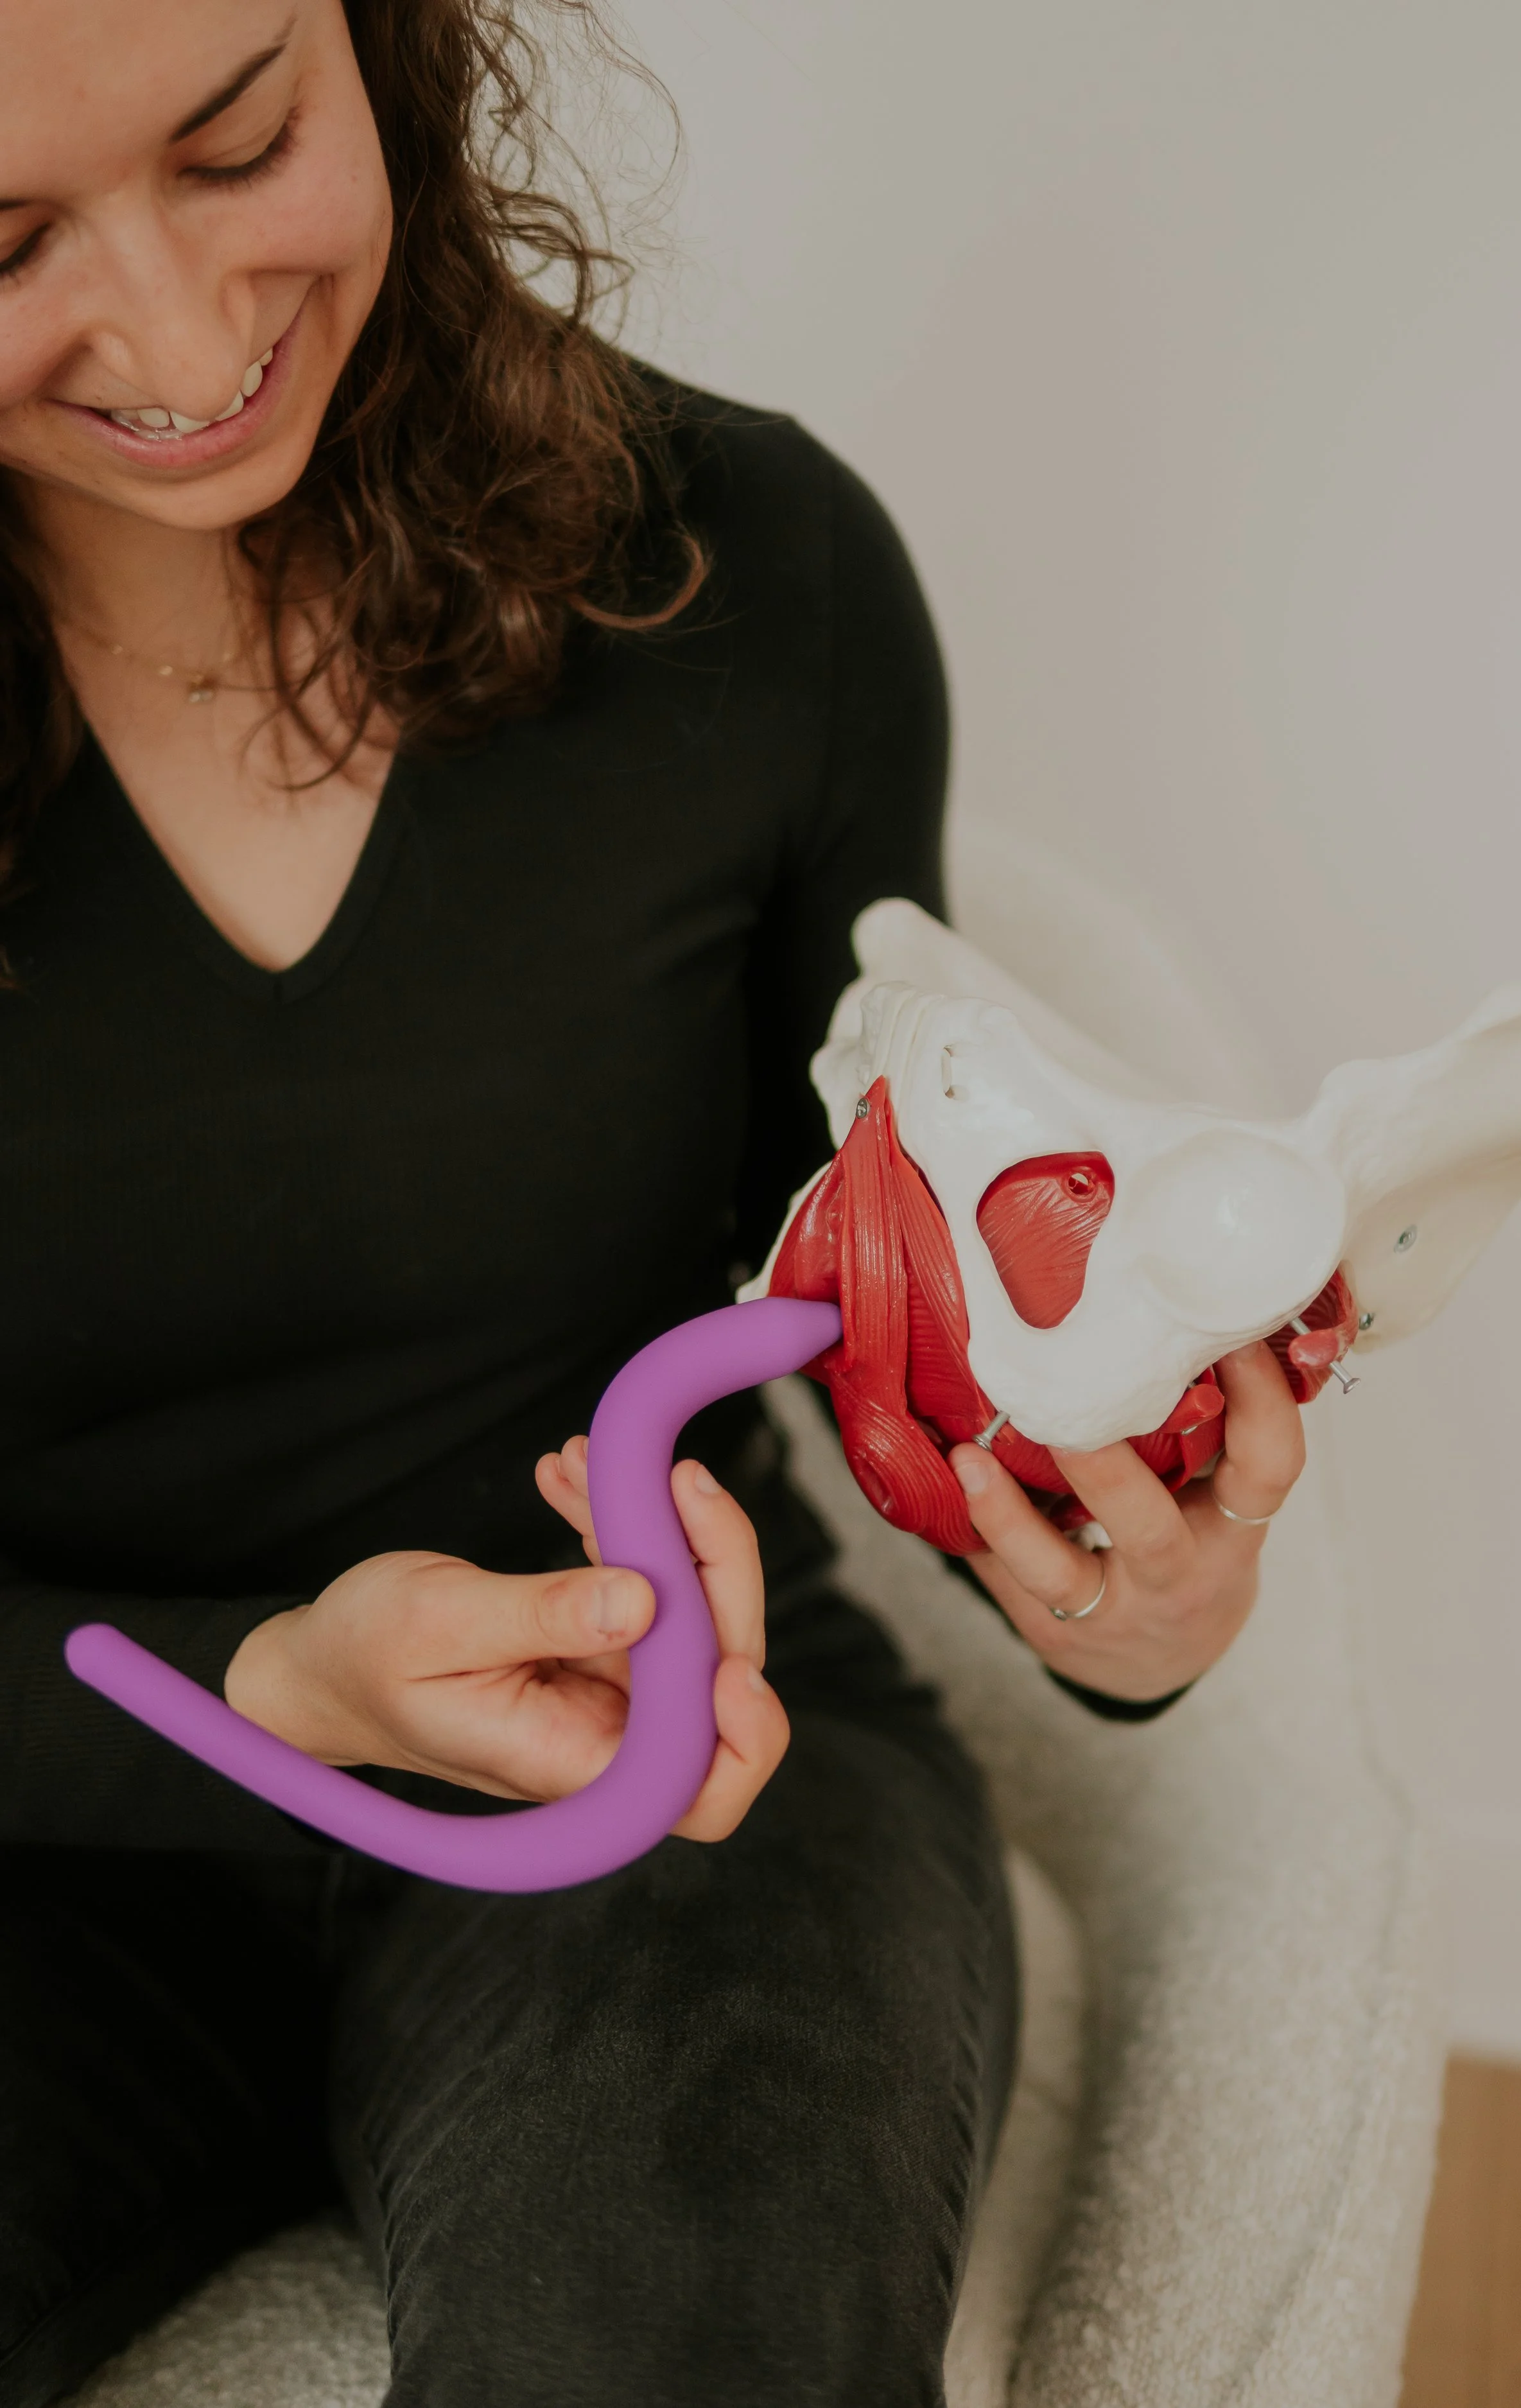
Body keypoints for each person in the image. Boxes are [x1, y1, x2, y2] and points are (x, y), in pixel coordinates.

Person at [0, 5, 1309, 2403]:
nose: (188, 341)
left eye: (241, 140)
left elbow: (893, 1291)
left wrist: (1127, 1585)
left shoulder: (750, 574)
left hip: (681, 1765)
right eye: (2, 247)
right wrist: (263, 1687)